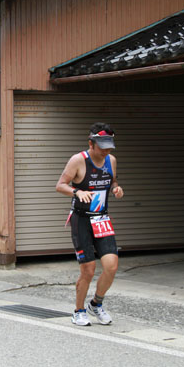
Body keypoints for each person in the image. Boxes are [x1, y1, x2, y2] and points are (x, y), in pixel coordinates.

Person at [56, 122, 124, 326]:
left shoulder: (111, 160)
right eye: (102, 147)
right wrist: (77, 192)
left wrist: (116, 189)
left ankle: (96, 303)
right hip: (82, 219)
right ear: (91, 143)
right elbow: (60, 185)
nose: (106, 151)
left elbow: (113, 181)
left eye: (109, 147)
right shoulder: (78, 160)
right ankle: (78, 311)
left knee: (111, 266)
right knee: (88, 270)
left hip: (101, 218)